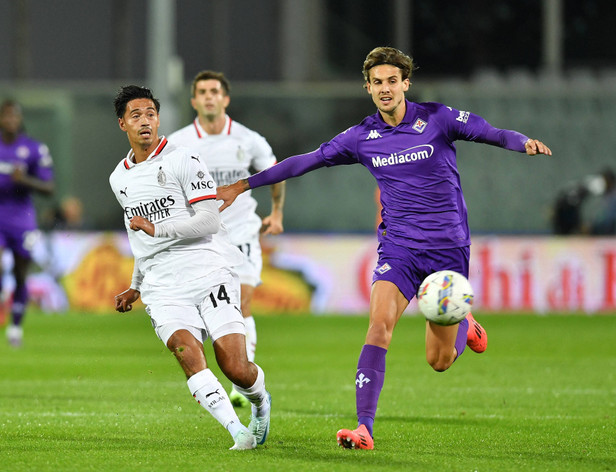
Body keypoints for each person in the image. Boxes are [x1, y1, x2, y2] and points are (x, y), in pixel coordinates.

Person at [217, 47, 552, 450]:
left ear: (406, 83)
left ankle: (464, 322)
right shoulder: (361, 137)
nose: (385, 89)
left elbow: (490, 131)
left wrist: (522, 143)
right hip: (399, 250)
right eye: (377, 82)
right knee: (378, 327)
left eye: (393, 80)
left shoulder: (437, 119)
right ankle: (364, 428)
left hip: (447, 251)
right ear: (368, 88)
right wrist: (243, 185)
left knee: (439, 361)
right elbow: (305, 161)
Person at [110, 85, 271, 451]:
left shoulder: (185, 160)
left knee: (235, 367)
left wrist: (157, 226)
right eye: (136, 115)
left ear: (159, 119)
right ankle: (237, 433)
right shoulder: (118, 178)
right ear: (123, 124)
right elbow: (140, 239)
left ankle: (261, 403)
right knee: (187, 354)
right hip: (162, 285)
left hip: (208, 269)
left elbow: (209, 221)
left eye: (151, 113)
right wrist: (135, 284)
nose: (145, 121)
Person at [168, 70, 285, 407]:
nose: (209, 97)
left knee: (242, 300)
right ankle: (235, 369)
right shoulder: (179, 142)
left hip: (242, 232)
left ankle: (240, 382)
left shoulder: (247, 139)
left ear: (225, 99)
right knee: (210, 311)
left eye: (215, 91)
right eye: (202, 91)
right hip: (203, 237)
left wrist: (276, 213)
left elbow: (275, 172)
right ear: (193, 100)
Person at [0, 99, 54, 346]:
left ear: (20, 120)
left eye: (15, 116)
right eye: (6, 116)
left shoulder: (33, 149)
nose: (11, 120)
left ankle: (15, 329)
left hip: (23, 220)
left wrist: (26, 181)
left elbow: (49, 188)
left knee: (21, 274)